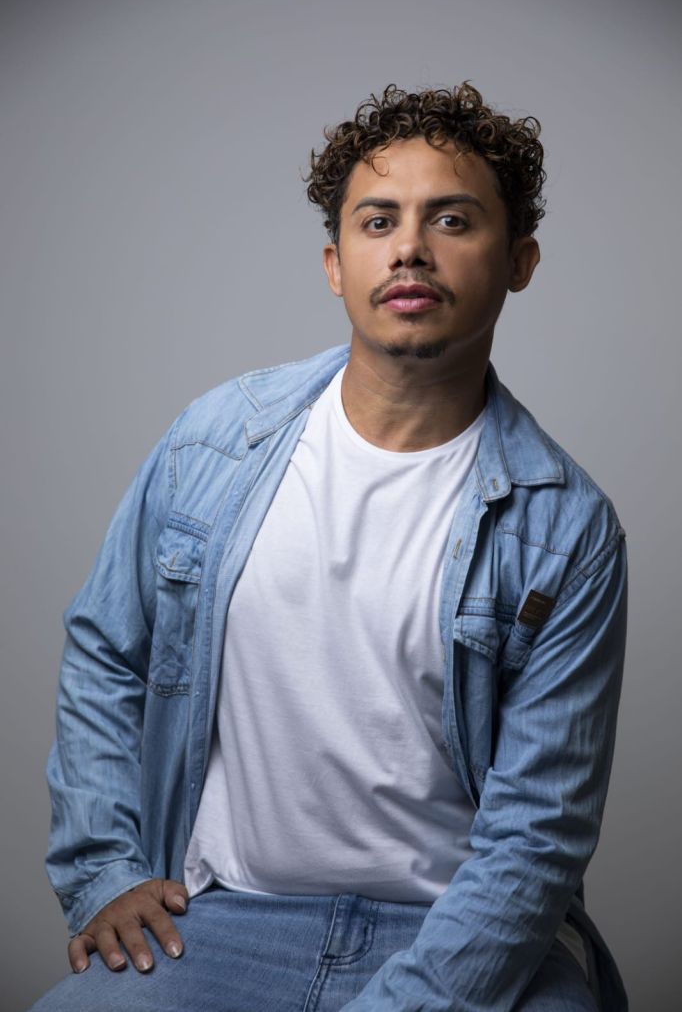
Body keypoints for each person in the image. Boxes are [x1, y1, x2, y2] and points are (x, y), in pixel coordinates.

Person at [31, 83, 628, 1012]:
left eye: (452, 220)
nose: (409, 248)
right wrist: (103, 868)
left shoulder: (567, 529)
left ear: (519, 261)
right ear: (335, 264)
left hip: (463, 933)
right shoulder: (214, 442)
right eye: (378, 220)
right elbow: (107, 650)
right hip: (221, 921)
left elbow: (536, 838)